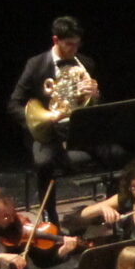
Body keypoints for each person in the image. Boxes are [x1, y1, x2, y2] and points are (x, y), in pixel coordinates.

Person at [7, 15, 104, 180]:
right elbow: (13, 104)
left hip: (79, 130)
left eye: (77, 44)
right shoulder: (35, 65)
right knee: (44, 163)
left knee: (117, 152)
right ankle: (48, 207)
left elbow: (93, 106)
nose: (74, 50)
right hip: (48, 133)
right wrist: (44, 118)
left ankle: (114, 204)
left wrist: (94, 96)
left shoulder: (86, 63)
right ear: (55, 40)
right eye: (69, 44)